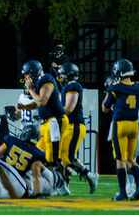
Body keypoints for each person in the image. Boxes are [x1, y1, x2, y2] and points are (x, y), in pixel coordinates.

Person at [102, 58, 139, 201]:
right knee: (130, 158)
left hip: (120, 126)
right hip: (134, 126)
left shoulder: (116, 87)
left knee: (120, 159)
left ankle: (122, 193)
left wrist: (108, 91)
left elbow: (104, 108)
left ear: (118, 72)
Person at [57, 62, 98, 193]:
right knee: (62, 157)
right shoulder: (68, 86)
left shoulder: (73, 86)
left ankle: (89, 175)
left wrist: (54, 113)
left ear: (69, 74)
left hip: (74, 125)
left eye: (62, 74)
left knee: (67, 157)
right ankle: (64, 186)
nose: (60, 77)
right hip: (68, 126)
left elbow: (69, 108)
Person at [20, 60, 66, 171]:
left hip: (55, 121)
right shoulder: (40, 81)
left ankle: (61, 182)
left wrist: (30, 89)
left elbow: (42, 102)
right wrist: (24, 107)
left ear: (33, 73)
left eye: (27, 74)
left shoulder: (46, 80)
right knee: (37, 155)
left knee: (52, 157)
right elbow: (37, 103)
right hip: (46, 122)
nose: (26, 77)